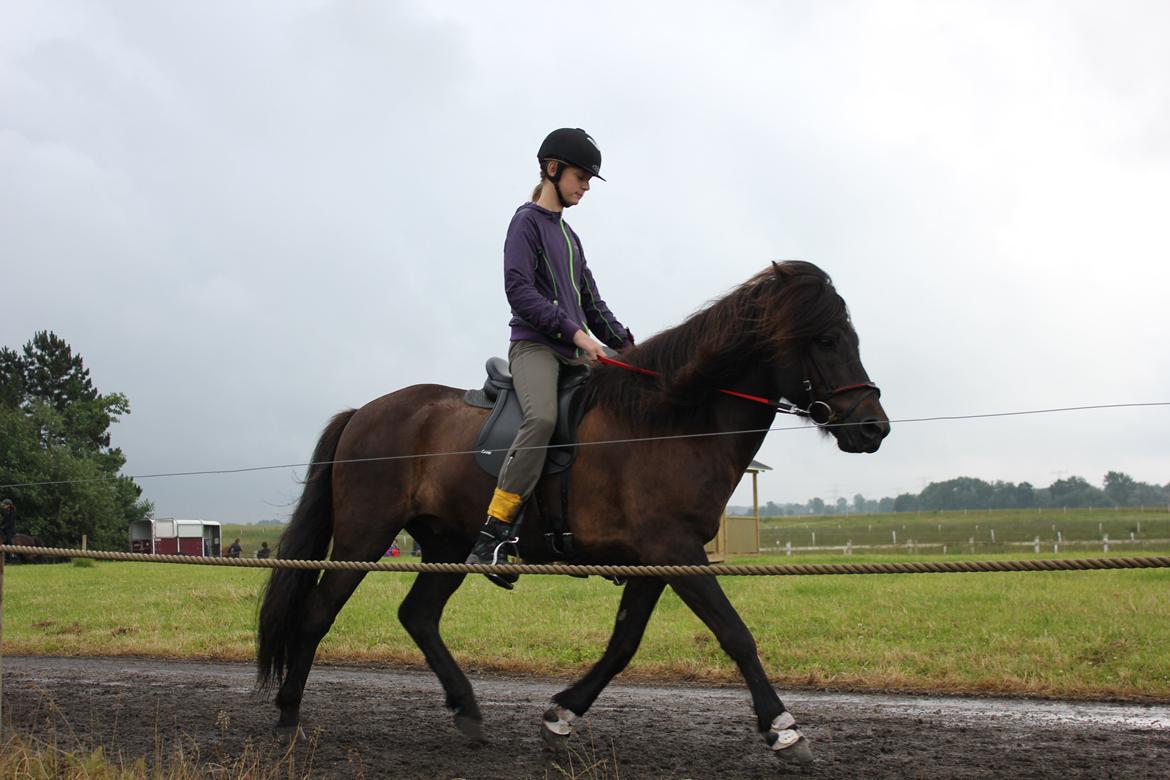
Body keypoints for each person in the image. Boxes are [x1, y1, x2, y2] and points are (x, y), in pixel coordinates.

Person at [464, 128, 634, 589]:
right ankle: (494, 534)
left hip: (575, 351)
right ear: (553, 170)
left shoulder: (571, 237)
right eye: (581, 177)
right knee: (539, 421)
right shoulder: (525, 223)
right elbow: (519, 291)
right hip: (535, 348)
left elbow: (593, 303)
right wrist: (577, 335)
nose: (585, 187)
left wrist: (631, 347)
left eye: (589, 181)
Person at [1, 499, 17, 563]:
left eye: (4, 505)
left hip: (10, 529)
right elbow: (3, 521)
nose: (3, 506)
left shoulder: (13, 511)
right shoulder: (6, 511)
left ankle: (12, 553)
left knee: (7, 539)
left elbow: (11, 522)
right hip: (5, 528)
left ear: (8, 505)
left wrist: (3, 527)